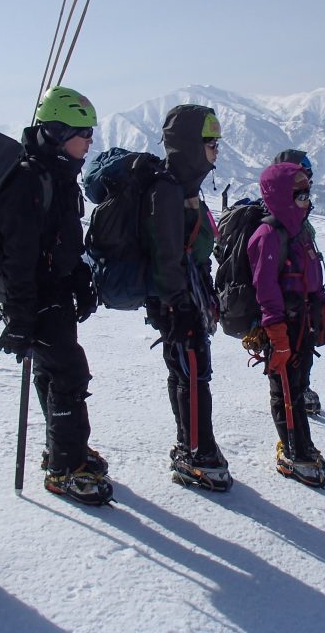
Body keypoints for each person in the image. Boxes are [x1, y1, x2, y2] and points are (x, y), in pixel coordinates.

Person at [0, 86, 112, 507]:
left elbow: (62, 238)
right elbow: (18, 256)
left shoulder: (59, 175)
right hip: (34, 294)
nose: (90, 141)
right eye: (83, 132)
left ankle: (65, 449)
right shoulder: (28, 180)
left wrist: (78, 276)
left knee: (55, 372)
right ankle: (65, 465)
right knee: (69, 374)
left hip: (53, 289)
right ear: (57, 132)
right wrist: (21, 318)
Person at [143, 104, 231, 491]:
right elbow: (165, 251)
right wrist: (176, 305)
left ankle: (192, 444)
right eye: (210, 142)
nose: (216, 150)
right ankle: (197, 451)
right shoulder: (168, 189)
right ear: (191, 146)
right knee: (192, 371)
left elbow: (193, 247)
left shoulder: (187, 187)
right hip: (176, 298)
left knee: (190, 371)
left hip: (187, 292)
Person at [247, 162, 325, 487]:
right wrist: (276, 333)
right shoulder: (268, 236)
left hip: (303, 323)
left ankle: (301, 445)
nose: (307, 200)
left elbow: (313, 276)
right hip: (284, 326)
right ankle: (296, 451)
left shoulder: (299, 233)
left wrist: (322, 306)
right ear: (282, 196)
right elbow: (265, 288)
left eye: (308, 193)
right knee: (285, 388)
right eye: (300, 194)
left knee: (297, 385)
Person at [271, 149, 325, 416]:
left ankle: (300, 388)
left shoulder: (300, 221)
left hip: (302, 306)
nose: (308, 184)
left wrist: (320, 301)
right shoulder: (276, 226)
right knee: (290, 365)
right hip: (287, 310)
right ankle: (294, 397)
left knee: (302, 354)